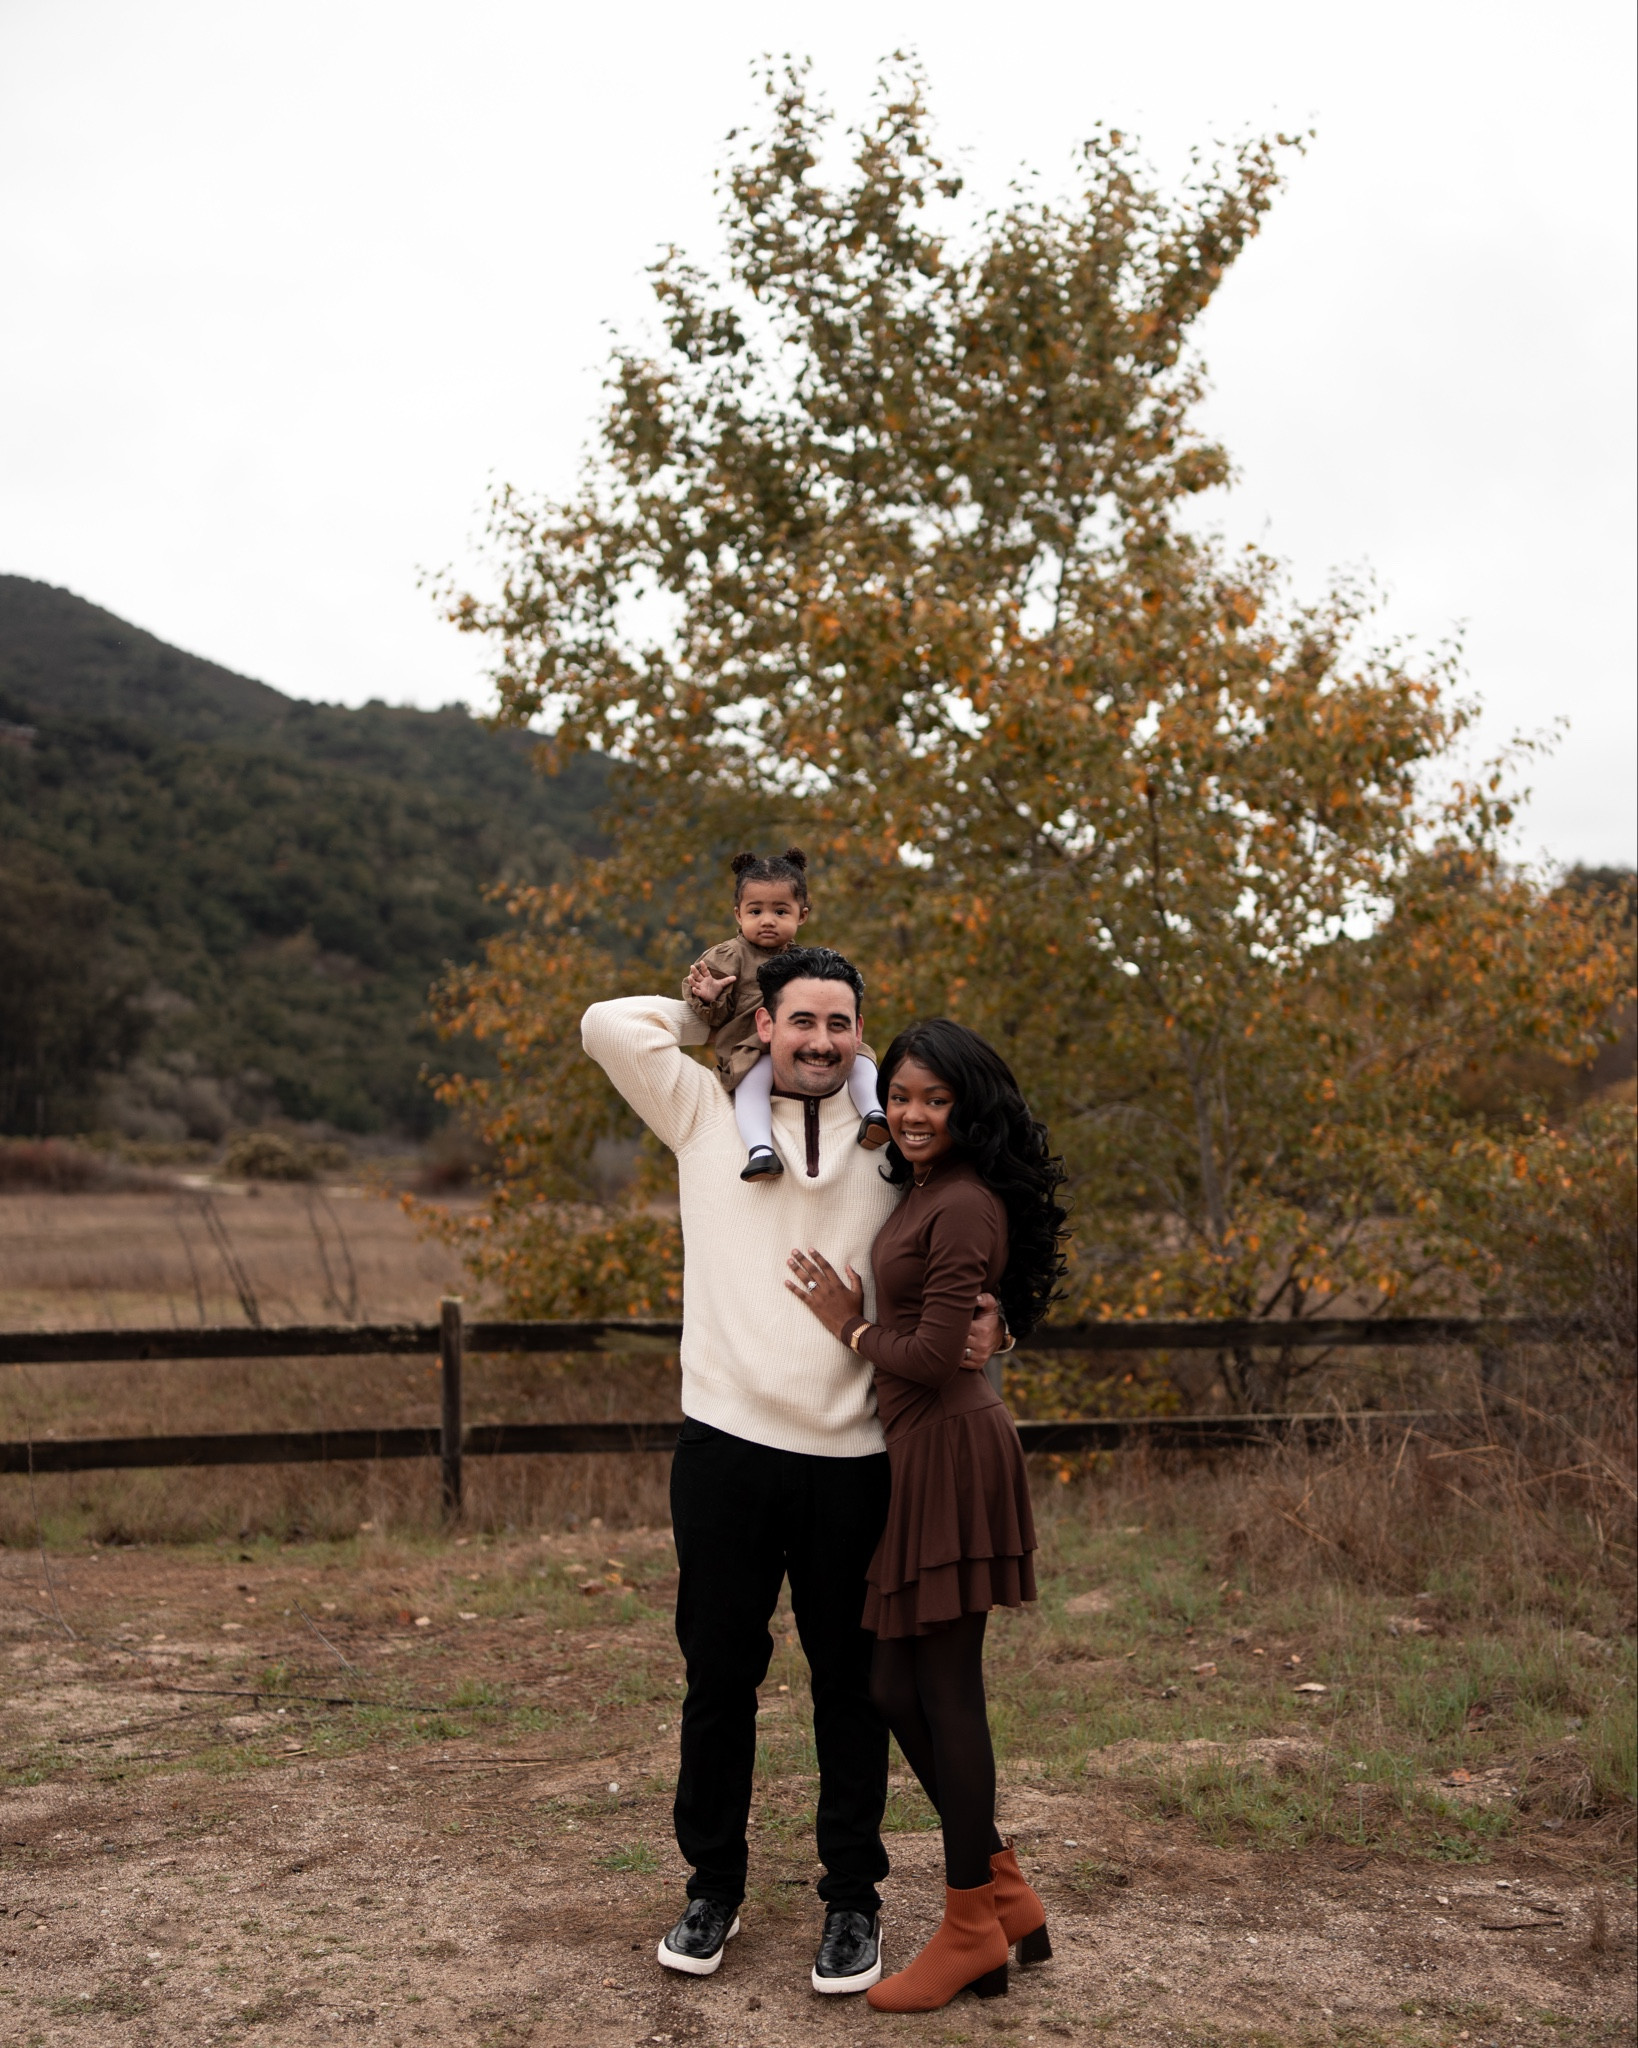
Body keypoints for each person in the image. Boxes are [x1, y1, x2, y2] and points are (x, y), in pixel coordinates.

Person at [580, 950, 1004, 1996]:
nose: (821, 1039)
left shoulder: (892, 1139)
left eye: (841, 1023)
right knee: (719, 1679)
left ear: (863, 1031)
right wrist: (702, 1003)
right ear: (764, 1025)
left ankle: (852, 1897)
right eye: (800, 1020)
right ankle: (711, 1884)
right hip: (723, 1447)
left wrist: (1007, 1318)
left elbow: (990, 1215)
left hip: (856, 1459)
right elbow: (605, 1025)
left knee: (852, 1689)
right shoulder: (702, 1112)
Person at [786, 1017, 1068, 2013]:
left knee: (946, 1692)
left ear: (967, 1107)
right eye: (899, 1094)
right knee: (891, 1681)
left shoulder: (965, 1205)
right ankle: (1002, 1887)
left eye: (934, 1098)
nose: (911, 1112)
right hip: (925, 1454)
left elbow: (936, 1350)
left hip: (952, 1448)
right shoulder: (927, 1191)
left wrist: (850, 1323)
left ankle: (967, 1928)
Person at [682, 847, 887, 1179]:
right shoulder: (728, 957)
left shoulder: (806, 961)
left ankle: (875, 1115)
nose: (767, 920)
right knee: (754, 1080)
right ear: (738, 914)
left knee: (861, 1056)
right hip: (750, 1046)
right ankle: (761, 1149)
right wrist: (708, 996)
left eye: (780, 911)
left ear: (801, 916)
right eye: (755, 911)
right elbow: (709, 1012)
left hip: (796, 1042)